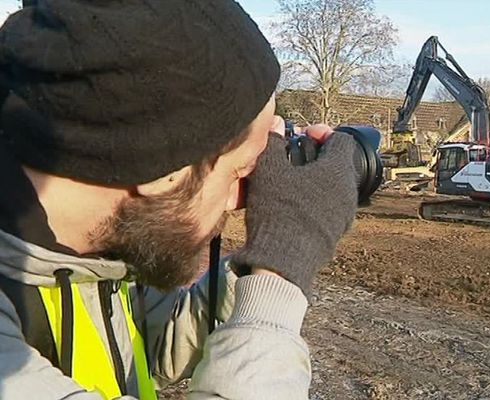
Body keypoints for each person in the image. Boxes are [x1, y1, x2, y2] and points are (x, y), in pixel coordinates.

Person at [0, 1, 358, 399]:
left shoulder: (94, 254)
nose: (238, 201)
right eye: (238, 171)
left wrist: (261, 259)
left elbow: (159, 341)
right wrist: (285, 266)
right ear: (162, 172)